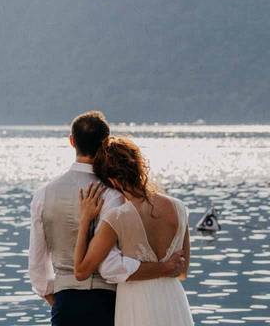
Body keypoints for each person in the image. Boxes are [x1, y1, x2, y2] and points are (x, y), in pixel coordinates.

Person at [28, 111, 185, 326]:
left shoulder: (43, 195)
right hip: (107, 302)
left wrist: (57, 301)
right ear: (105, 143)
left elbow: (37, 266)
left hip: (64, 302)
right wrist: (162, 268)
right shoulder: (114, 194)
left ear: (72, 141)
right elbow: (112, 265)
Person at [74, 135, 194, 325]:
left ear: (112, 181)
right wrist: (164, 268)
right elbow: (182, 271)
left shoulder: (117, 217)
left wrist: (85, 220)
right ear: (138, 167)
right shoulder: (179, 208)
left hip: (137, 304)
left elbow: (81, 271)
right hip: (173, 301)